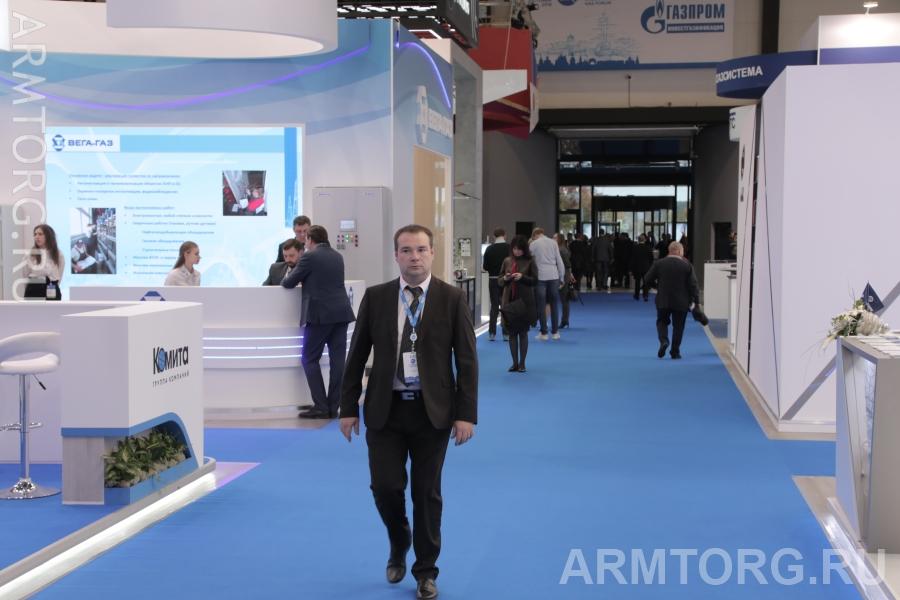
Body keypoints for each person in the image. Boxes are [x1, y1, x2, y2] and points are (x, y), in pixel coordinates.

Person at [339, 224, 477, 600]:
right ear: (395, 255)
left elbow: (467, 360)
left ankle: (425, 571)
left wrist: (466, 414)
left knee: (426, 493)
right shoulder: (377, 297)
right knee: (385, 487)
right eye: (406, 250)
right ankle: (400, 539)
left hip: (433, 414)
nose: (414, 257)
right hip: (385, 412)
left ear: (432, 253)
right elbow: (356, 355)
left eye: (420, 250)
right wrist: (347, 407)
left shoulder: (451, 298)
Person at [282, 226, 355, 419]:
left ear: (310, 239)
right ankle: (333, 406)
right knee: (338, 361)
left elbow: (288, 283)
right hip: (341, 313)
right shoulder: (337, 256)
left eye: (306, 240)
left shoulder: (310, 257)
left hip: (320, 315)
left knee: (309, 358)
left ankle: (321, 406)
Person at [642, 241, 700, 360]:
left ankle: (664, 341)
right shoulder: (687, 265)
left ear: (670, 250)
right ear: (679, 251)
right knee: (678, 326)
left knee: (662, 321)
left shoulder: (659, 263)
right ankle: (675, 351)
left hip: (663, 299)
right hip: (681, 301)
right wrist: (696, 301)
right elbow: (693, 285)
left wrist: (657, 287)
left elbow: (647, 279)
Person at [499, 235, 537, 372]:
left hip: (525, 301)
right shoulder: (507, 261)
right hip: (509, 302)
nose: (517, 252)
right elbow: (499, 281)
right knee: (512, 333)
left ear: (524, 249)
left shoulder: (530, 261)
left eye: (520, 249)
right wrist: (505, 278)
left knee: (523, 333)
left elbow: (535, 281)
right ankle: (514, 363)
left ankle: (522, 363)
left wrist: (523, 277)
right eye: (515, 249)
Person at [528, 228, 565, 340]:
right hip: (553, 276)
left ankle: (544, 333)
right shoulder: (553, 243)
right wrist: (562, 277)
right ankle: (555, 332)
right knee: (554, 305)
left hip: (540, 277)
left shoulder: (533, 244)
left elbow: (529, 261)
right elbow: (559, 261)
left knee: (541, 305)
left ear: (535, 235)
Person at [481, 227, 510, 342]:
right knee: (505, 306)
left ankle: (492, 333)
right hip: (506, 280)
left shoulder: (489, 249)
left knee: (494, 306)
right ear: (505, 235)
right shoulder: (509, 248)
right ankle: (506, 333)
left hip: (493, 279)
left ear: (494, 236)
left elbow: (485, 267)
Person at [23, 224, 63, 300]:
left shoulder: (58, 254)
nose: (37, 237)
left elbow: (60, 273)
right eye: (35, 234)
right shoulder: (30, 254)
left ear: (49, 236)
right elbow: (25, 274)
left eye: (40, 234)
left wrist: (53, 284)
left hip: (52, 287)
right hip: (34, 287)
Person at [553, 232, 576, 329]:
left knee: (564, 300)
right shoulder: (560, 249)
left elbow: (567, 264)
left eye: (555, 238)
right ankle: (564, 321)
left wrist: (569, 274)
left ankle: (565, 321)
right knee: (564, 300)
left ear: (559, 239)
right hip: (561, 275)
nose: (553, 239)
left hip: (563, 276)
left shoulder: (561, 250)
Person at [629, 234, 654, 302]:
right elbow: (651, 258)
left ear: (638, 240)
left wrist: (631, 268)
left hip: (637, 267)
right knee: (646, 282)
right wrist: (650, 266)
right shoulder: (648, 248)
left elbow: (632, 259)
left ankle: (637, 295)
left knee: (637, 282)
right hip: (646, 267)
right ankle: (645, 295)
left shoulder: (635, 248)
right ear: (645, 240)